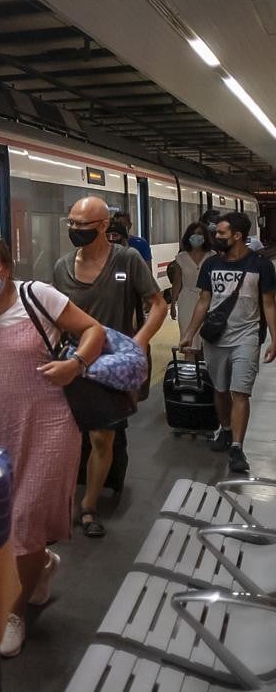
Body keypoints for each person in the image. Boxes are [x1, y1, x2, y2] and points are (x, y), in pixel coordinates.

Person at [0, 233, 105, 657]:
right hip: (2, 429)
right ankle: (43, 564)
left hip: (52, 424)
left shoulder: (38, 296)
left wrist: (77, 363)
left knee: (24, 518)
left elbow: (92, 329)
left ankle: (14, 613)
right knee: (8, 523)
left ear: (6, 268)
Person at [52, 197, 166, 539]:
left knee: (104, 436)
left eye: (82, 225)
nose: (74, 231)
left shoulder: (128, 260)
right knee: (71, 435)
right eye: (70, 223)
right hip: (73, 362)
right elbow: (53, 314)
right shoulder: (61, 267)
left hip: (112, 366)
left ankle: (89, 507)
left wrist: (140, 340)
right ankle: (68, 495)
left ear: (103, 226)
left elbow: (157, 303)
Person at [178, 212, 276, 474]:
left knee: (240, 392)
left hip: (247, 336)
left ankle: (236, 447)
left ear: (237, 236)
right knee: (220, 391)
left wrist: (275, 339)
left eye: (221, 233)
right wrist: (189, 333)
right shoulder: (211, 265)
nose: (215, 236)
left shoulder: (261, 266)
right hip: (215, 338)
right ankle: (226, 428)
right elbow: (203, 301)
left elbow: (268, 303)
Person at [169, 222, 212, 361]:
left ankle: (207, 373)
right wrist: (173, 304)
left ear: (205, 237)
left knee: (207, 339)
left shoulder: (213, 256)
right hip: (186, 300)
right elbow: (177, 283)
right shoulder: (181, 258)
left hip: (209, 300)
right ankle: (190, 372)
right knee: (189, 339)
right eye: (194, 234)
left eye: (200, 234)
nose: (196, 237)